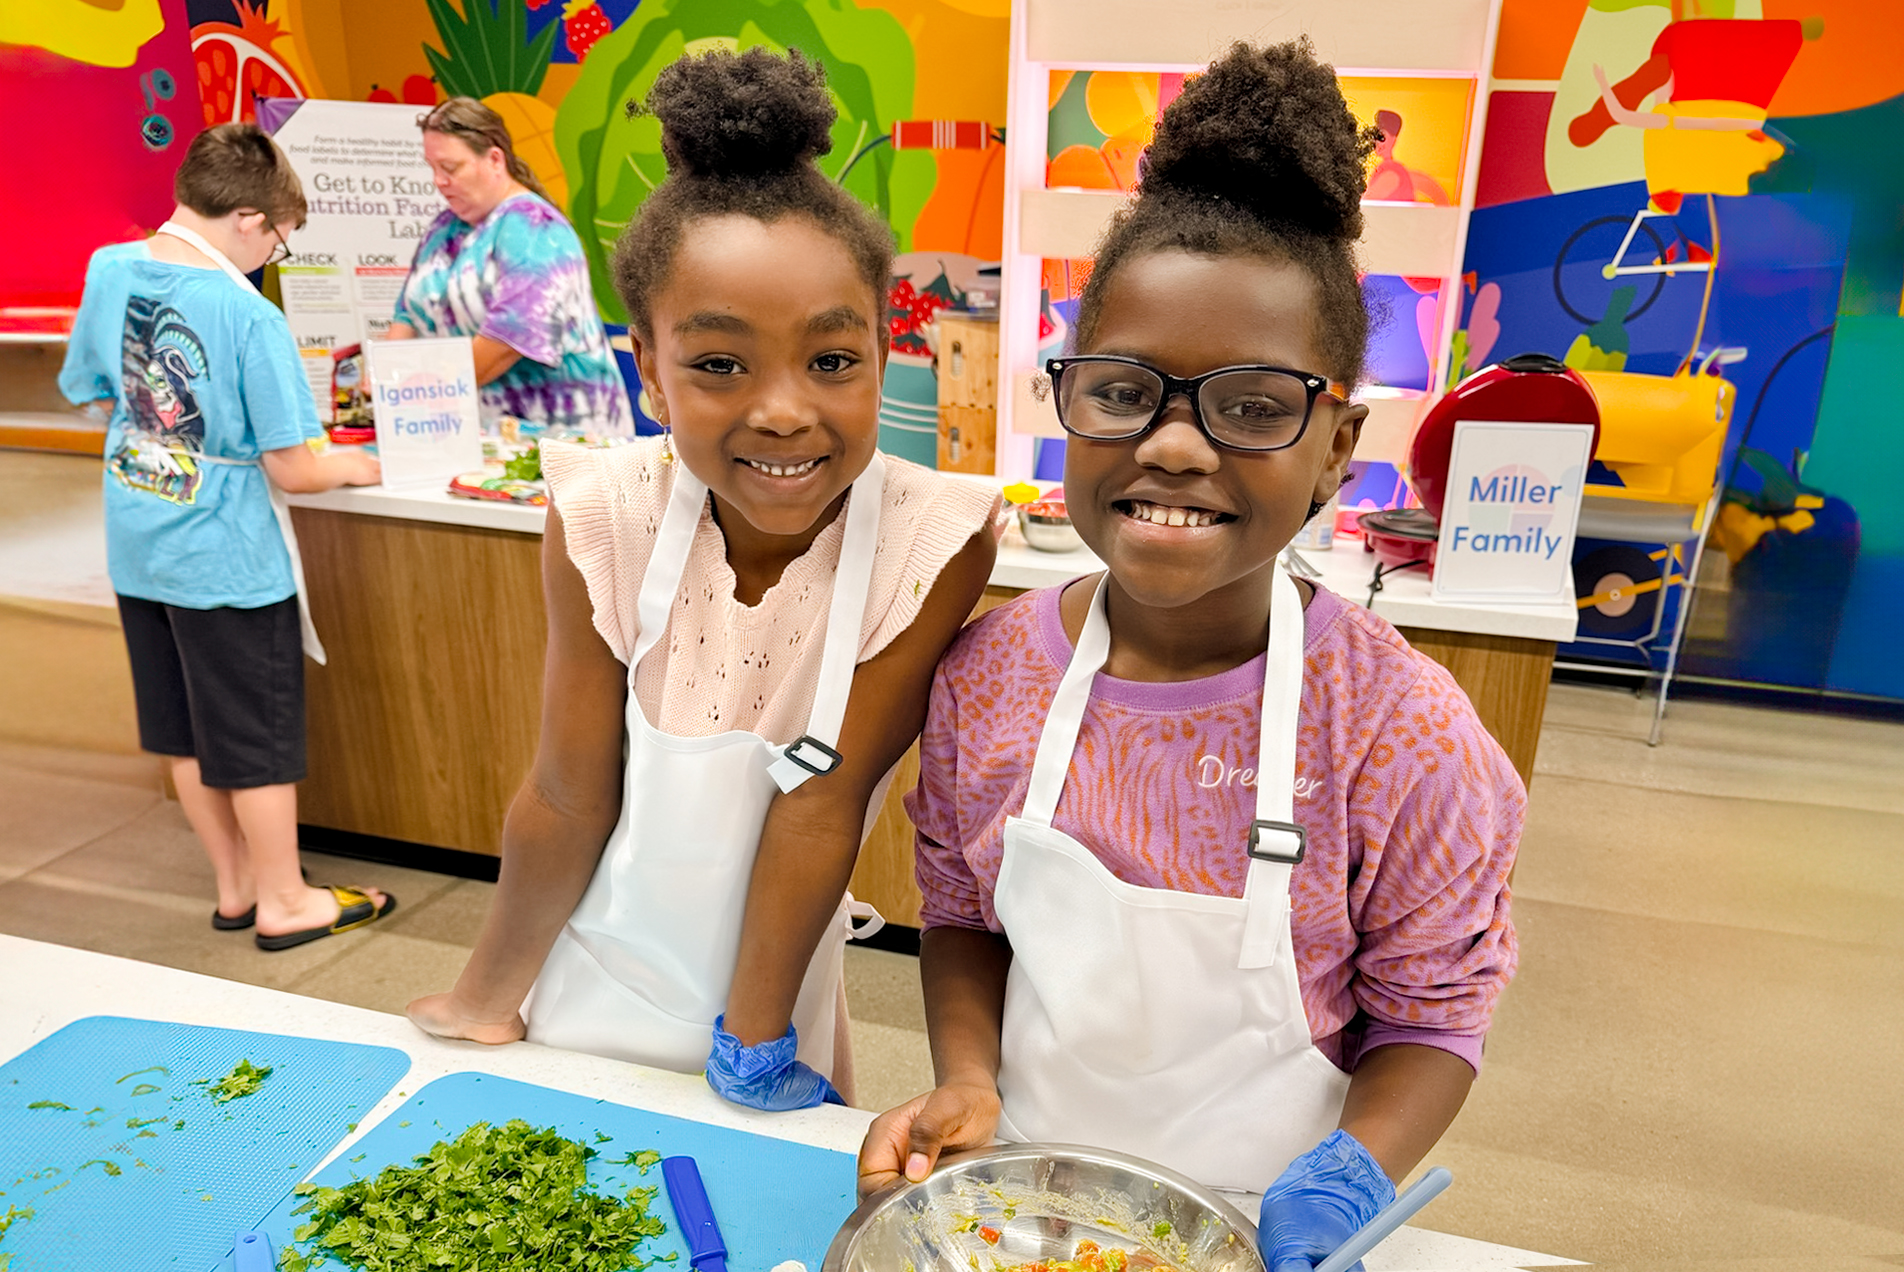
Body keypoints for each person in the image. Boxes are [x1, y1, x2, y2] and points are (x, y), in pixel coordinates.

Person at [857, 41, 1523, 1272]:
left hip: (1268, 1227)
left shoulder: (1402, 733)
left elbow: (1435, 1017)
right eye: (1123, 390)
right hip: (1027, 1207)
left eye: (1256, 405)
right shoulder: (990, 675)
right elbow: (963, 918)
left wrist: (1344, 1179)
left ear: (1337, 447)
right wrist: (963, 1078)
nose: (1173, 445)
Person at [405, 48, 1000, 1110]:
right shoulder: (604, 512)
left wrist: (755, 1036)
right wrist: (482, 995)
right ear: (648, 368)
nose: (782, 410)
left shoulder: (935, 540)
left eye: (832, 361)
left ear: (881, 350)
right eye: (720, 365)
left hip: (771, 991)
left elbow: (825, 800)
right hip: (597, 963)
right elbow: (566, 791)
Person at [59, 123, 396, 951]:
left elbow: (91, 388)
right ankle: (287, 901)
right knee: (253, 737)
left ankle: (237, 886)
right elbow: (296, 469)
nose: (274, 254)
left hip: (139, 541)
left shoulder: (109, 268)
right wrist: (367, 466)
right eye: (280, 238)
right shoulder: (247, 316)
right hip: (226, 558)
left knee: (182, 729)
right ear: (249, 218)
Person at [386, 97, 636, 440]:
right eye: (432, 167)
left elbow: (510, 337)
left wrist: (417, 393)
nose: (438, 181)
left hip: (561, 435)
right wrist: (387, 377)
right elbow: (407, 313)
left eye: (450, 167)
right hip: (478, 433)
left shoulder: (535, 227)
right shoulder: (443, 229)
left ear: (493, 159)